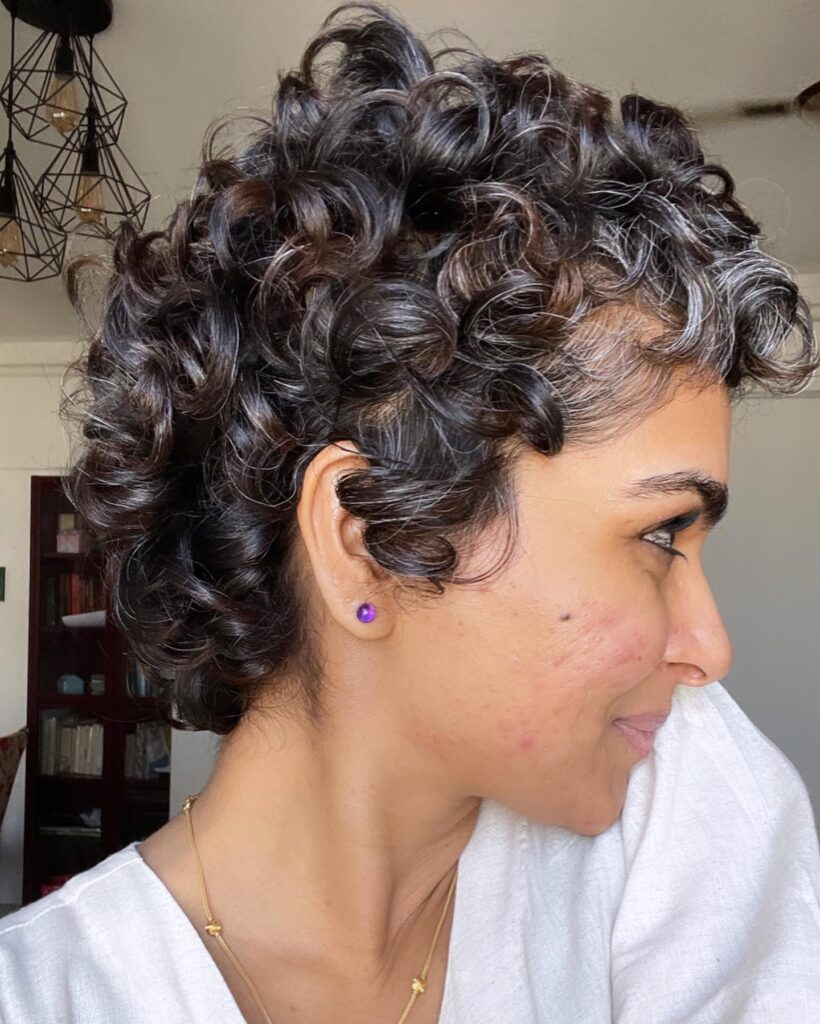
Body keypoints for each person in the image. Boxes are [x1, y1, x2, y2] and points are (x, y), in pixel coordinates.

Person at [2, 3, 820, 1022]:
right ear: (367, 539)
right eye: (658, 534)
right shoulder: (43, 995)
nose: (708, 648)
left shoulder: (668, 795)